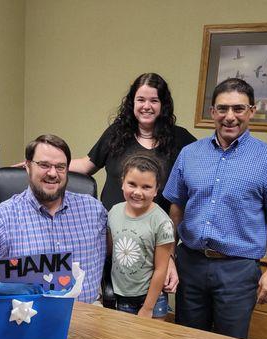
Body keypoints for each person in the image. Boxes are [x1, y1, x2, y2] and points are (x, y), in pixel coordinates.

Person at [163, 78, 267, 339]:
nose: (230, 117)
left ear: (251, 111)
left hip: (237, 270)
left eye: (238, 109)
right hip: (190, 263)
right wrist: (169, 256)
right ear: (212, 112)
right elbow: (176, 207)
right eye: (222, 109)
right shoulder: (190, 154)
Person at [71, 72, 196, 293]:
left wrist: (170, 255)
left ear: (163, 105)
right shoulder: (116, 134)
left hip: (152, 243)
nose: (146, 106)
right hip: (111, 238)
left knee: (148, 309)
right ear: (132, 103)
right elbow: (86, 165)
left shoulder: (180, 140)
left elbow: (203, 174)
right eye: (141, 100)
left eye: (154, 100)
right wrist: (44, 163)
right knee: (108, 302)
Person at [0, 134, 107, 303]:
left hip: (89, 316)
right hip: (27, 319)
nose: (53, 173)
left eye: (60, 167)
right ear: (28, 166)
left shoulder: (93, 210)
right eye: (44, 165)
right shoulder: (3, 216)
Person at [108, 154, 174, 319]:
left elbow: (161, 269)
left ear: (156, 189)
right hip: (122, 295)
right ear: (123, 182)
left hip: (151, 298)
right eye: (132, 184)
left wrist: (147, 308)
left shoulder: (162, 222)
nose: (138, 192)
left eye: (146, 187)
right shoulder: (114, 212)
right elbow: (110, 250)